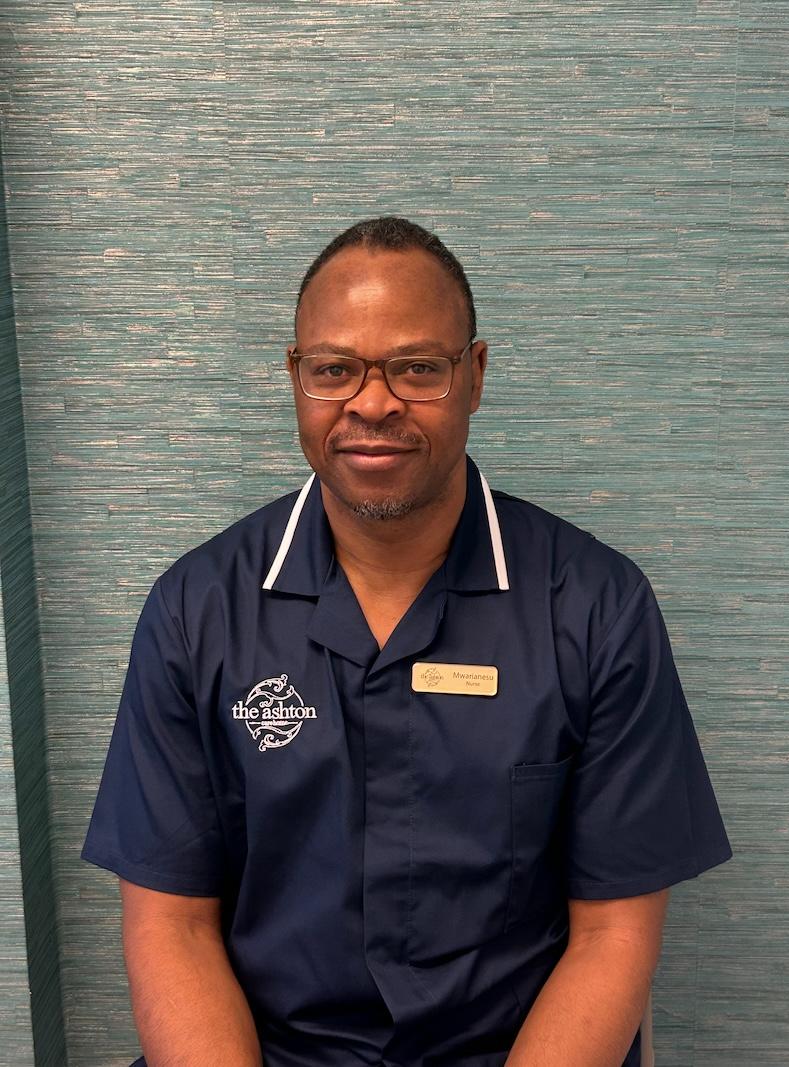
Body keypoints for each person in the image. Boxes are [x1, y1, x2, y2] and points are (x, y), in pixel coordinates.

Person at [82, 215, 733, 1067]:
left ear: (475, 376)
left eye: (418, 368)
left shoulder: (595, 608)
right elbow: (173, 923)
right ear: (296, 378)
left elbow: (613, 935)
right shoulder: (196, 610)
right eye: (335, 369)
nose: (373, 401)